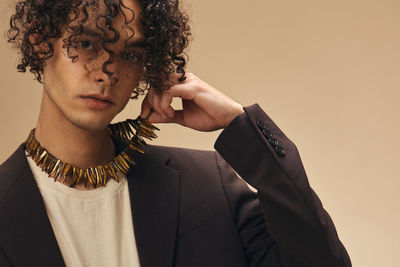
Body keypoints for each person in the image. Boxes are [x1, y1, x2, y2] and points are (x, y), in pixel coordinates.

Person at [0, 0, 352, 266]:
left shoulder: (210, 184)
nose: (106, 72)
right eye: (87, 43)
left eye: (131, 55)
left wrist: (240, 128)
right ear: (40, 40)